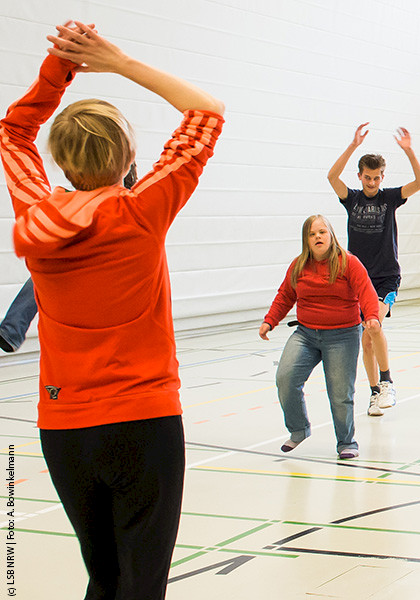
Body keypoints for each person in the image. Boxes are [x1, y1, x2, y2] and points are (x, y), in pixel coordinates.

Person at [0, 21, 224, 599]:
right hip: (143, 422)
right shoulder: (144, 209)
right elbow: (207, 111)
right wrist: (114, 61)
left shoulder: (35, 216)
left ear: (62, 161)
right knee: (142, 584)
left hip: (65, 428)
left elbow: (14, 133)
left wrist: (60, 68)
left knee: (103, 578)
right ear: (128, 156)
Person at [259, 215, 381, 459]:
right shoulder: (298, 265)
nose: (318, 237)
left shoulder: (348, 262)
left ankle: (346, 442)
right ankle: (299, 430)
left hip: (343, 334)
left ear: (331, 235)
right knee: (285, 378)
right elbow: (285, 295)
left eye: (322, 232)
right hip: (306, 333)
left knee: (339, 393)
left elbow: (366, 290)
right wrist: (269, 320)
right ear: (306, 240)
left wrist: (372, 317)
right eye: (312, 234)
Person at [327, 123, 420, 416]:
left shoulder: (389, 198)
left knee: (373, 324)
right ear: (360, 176)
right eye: (367, 178)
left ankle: (387, 382)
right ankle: (373, 393)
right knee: (366, 339)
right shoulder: (352, 199)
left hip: (385, 277)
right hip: (357, 278)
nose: (372, 182)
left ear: (383, 178)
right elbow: (332, 176)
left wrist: (409, 151)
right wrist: (352, 146)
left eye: (376, 178)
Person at [0, 163, 138, 354]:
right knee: (48, 273)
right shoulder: (93, 200)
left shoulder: (127, 205)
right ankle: (12, 329)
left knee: (49, 274)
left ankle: (12, 329)